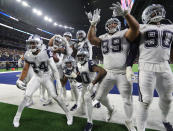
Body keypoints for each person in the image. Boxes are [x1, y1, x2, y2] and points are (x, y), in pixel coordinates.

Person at [87, 3, 139, 130]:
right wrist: (92, 25)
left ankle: (128, 121)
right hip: (108, 73)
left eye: (114, 23)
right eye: (109, 24)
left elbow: (135, 28)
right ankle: (110, 109)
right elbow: (92, 40)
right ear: (106, 26)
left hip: (122, 72)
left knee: (127, 100)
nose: (111, 25)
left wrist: (126, 14)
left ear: (118, 25)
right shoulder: (103, 37)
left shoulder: (124, 33)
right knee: (99, 97)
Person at [13, 34, 73, 127]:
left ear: (40, 43)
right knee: (26, 96)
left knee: (55, 96)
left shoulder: (46, 52)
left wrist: (58, 83)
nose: (32, 45)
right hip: (36, 77)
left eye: (34, 43)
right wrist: (19, 80)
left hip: (46, 77)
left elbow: (54, 69)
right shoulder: (28, 54)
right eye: (30, 43)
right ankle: (16, 117)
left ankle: (68, 114)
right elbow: (25, 69)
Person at [129, 4, 173, 131]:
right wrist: (129, 66)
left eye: (158, 11)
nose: (157, 13)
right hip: (146, 67)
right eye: (154, 12)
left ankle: (164, 119)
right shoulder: (141, 27)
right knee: (145, 100)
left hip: (165, 66)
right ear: (146, 16)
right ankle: (141, 129)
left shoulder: (170, 26)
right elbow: (132, 48)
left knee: (168, 98)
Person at [76, 49, 107, 131]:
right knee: (83, 100)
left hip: (92, 85)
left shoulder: (90, 63)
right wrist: (77, 79)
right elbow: (79, 76)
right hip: (84, 85)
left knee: (87, 99)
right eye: (79, 56)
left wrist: (93, 83)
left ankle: (89, 122)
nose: (80, 58)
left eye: (82, 56)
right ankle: (97, 102)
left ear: (86, 56)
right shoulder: (78, 64)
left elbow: (102, 71)